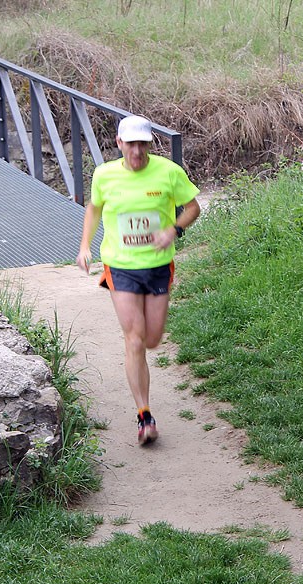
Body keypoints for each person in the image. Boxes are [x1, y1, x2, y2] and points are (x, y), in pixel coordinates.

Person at [77, 115, 201, 446]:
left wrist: (173, 229)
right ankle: (144, 415)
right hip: (120, 265)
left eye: (142, 144)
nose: (136, 151)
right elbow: (94, 209)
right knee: (134, 339)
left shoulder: (168, 172)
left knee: (152, 339)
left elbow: (193, 208)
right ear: (119, 144)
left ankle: (144, 394)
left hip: (159, 265)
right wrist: (85, 247)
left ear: (149, 145)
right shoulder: (104, 175)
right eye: (130, 144)